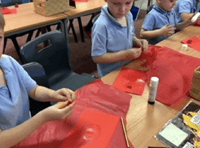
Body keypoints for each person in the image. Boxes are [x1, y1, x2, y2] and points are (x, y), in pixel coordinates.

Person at [0, 10, 76, 148]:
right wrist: (43, 117)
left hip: (30, 135)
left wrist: (54, 94)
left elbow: (34, 90)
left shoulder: (8, 62)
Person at [91, 0, 149, 77]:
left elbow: (130, 34)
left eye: (128, 3)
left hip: (127, 66)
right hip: (111, 74)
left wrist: (137, 41)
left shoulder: (128, 15)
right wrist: (125, 55)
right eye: (116, 3)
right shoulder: (101, 26)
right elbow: (97, 57)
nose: (122, 9)